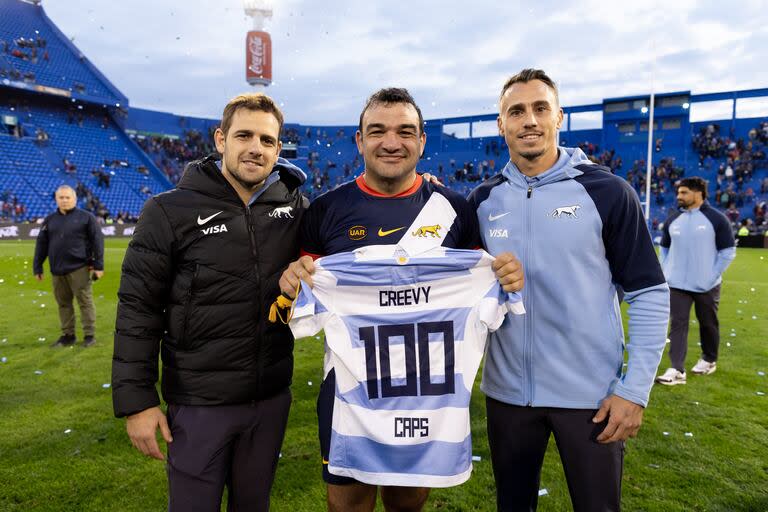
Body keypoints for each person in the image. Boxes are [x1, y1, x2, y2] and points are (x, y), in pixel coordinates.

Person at [278, 88, 524, 512]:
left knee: (407, 504)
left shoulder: (453, 210)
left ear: (422, 141)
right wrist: (291, 285)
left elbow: (479, 282)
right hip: (349, 388)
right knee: (347, 506)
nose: (391, 142)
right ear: (359, 141)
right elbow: (298, 300)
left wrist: (504, 275)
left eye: (405, 132)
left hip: (428, 395)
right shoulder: (325, 211)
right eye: (377, 131)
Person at [468, 69, 670, 511]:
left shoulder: (608, 191)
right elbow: (449, 276)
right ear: (501, 124)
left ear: (559, 116)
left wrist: (634, 390)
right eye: (516, 111)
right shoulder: (482, 201)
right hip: (508, 396)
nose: (530, 120)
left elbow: (650, 293)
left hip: (593, 396)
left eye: (540, 108)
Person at [111, 93, 308, 512]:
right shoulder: (168, 211)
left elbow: (352, 224)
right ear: (221, 139)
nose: (255, 147)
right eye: (244, 135)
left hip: (270, 398)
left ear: (278, 148)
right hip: (200, 404)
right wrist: (138, 402)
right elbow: (137, 310)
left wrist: (419, 190)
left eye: (267, 140)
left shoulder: (295, 209)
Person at [655, 177, 736, 385]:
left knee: (708, 324)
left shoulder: (717, 219)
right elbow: (664, 248)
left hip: (707, 285)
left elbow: (728, 252)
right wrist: (666, 270)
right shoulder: (673, 219)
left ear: (698, 193)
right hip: (677, 285)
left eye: (684, 193)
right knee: (677, 324)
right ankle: (676, 369)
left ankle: (709, 359)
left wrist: (711, 276)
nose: (679, 197)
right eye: (679, 193)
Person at [33, 185, 103, 347]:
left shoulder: (86, 217)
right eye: (61, 198)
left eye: (67, 197)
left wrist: (98, 265)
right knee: (63, 303)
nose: (64, 200)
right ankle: (68, 335)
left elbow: (97, 242)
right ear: (56, 199)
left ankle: (89, 335)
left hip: (79, 267)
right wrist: (38, 267)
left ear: (74, 199)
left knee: (84, 301)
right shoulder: (49, 220)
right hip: (57, 270)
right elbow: (41, 244)